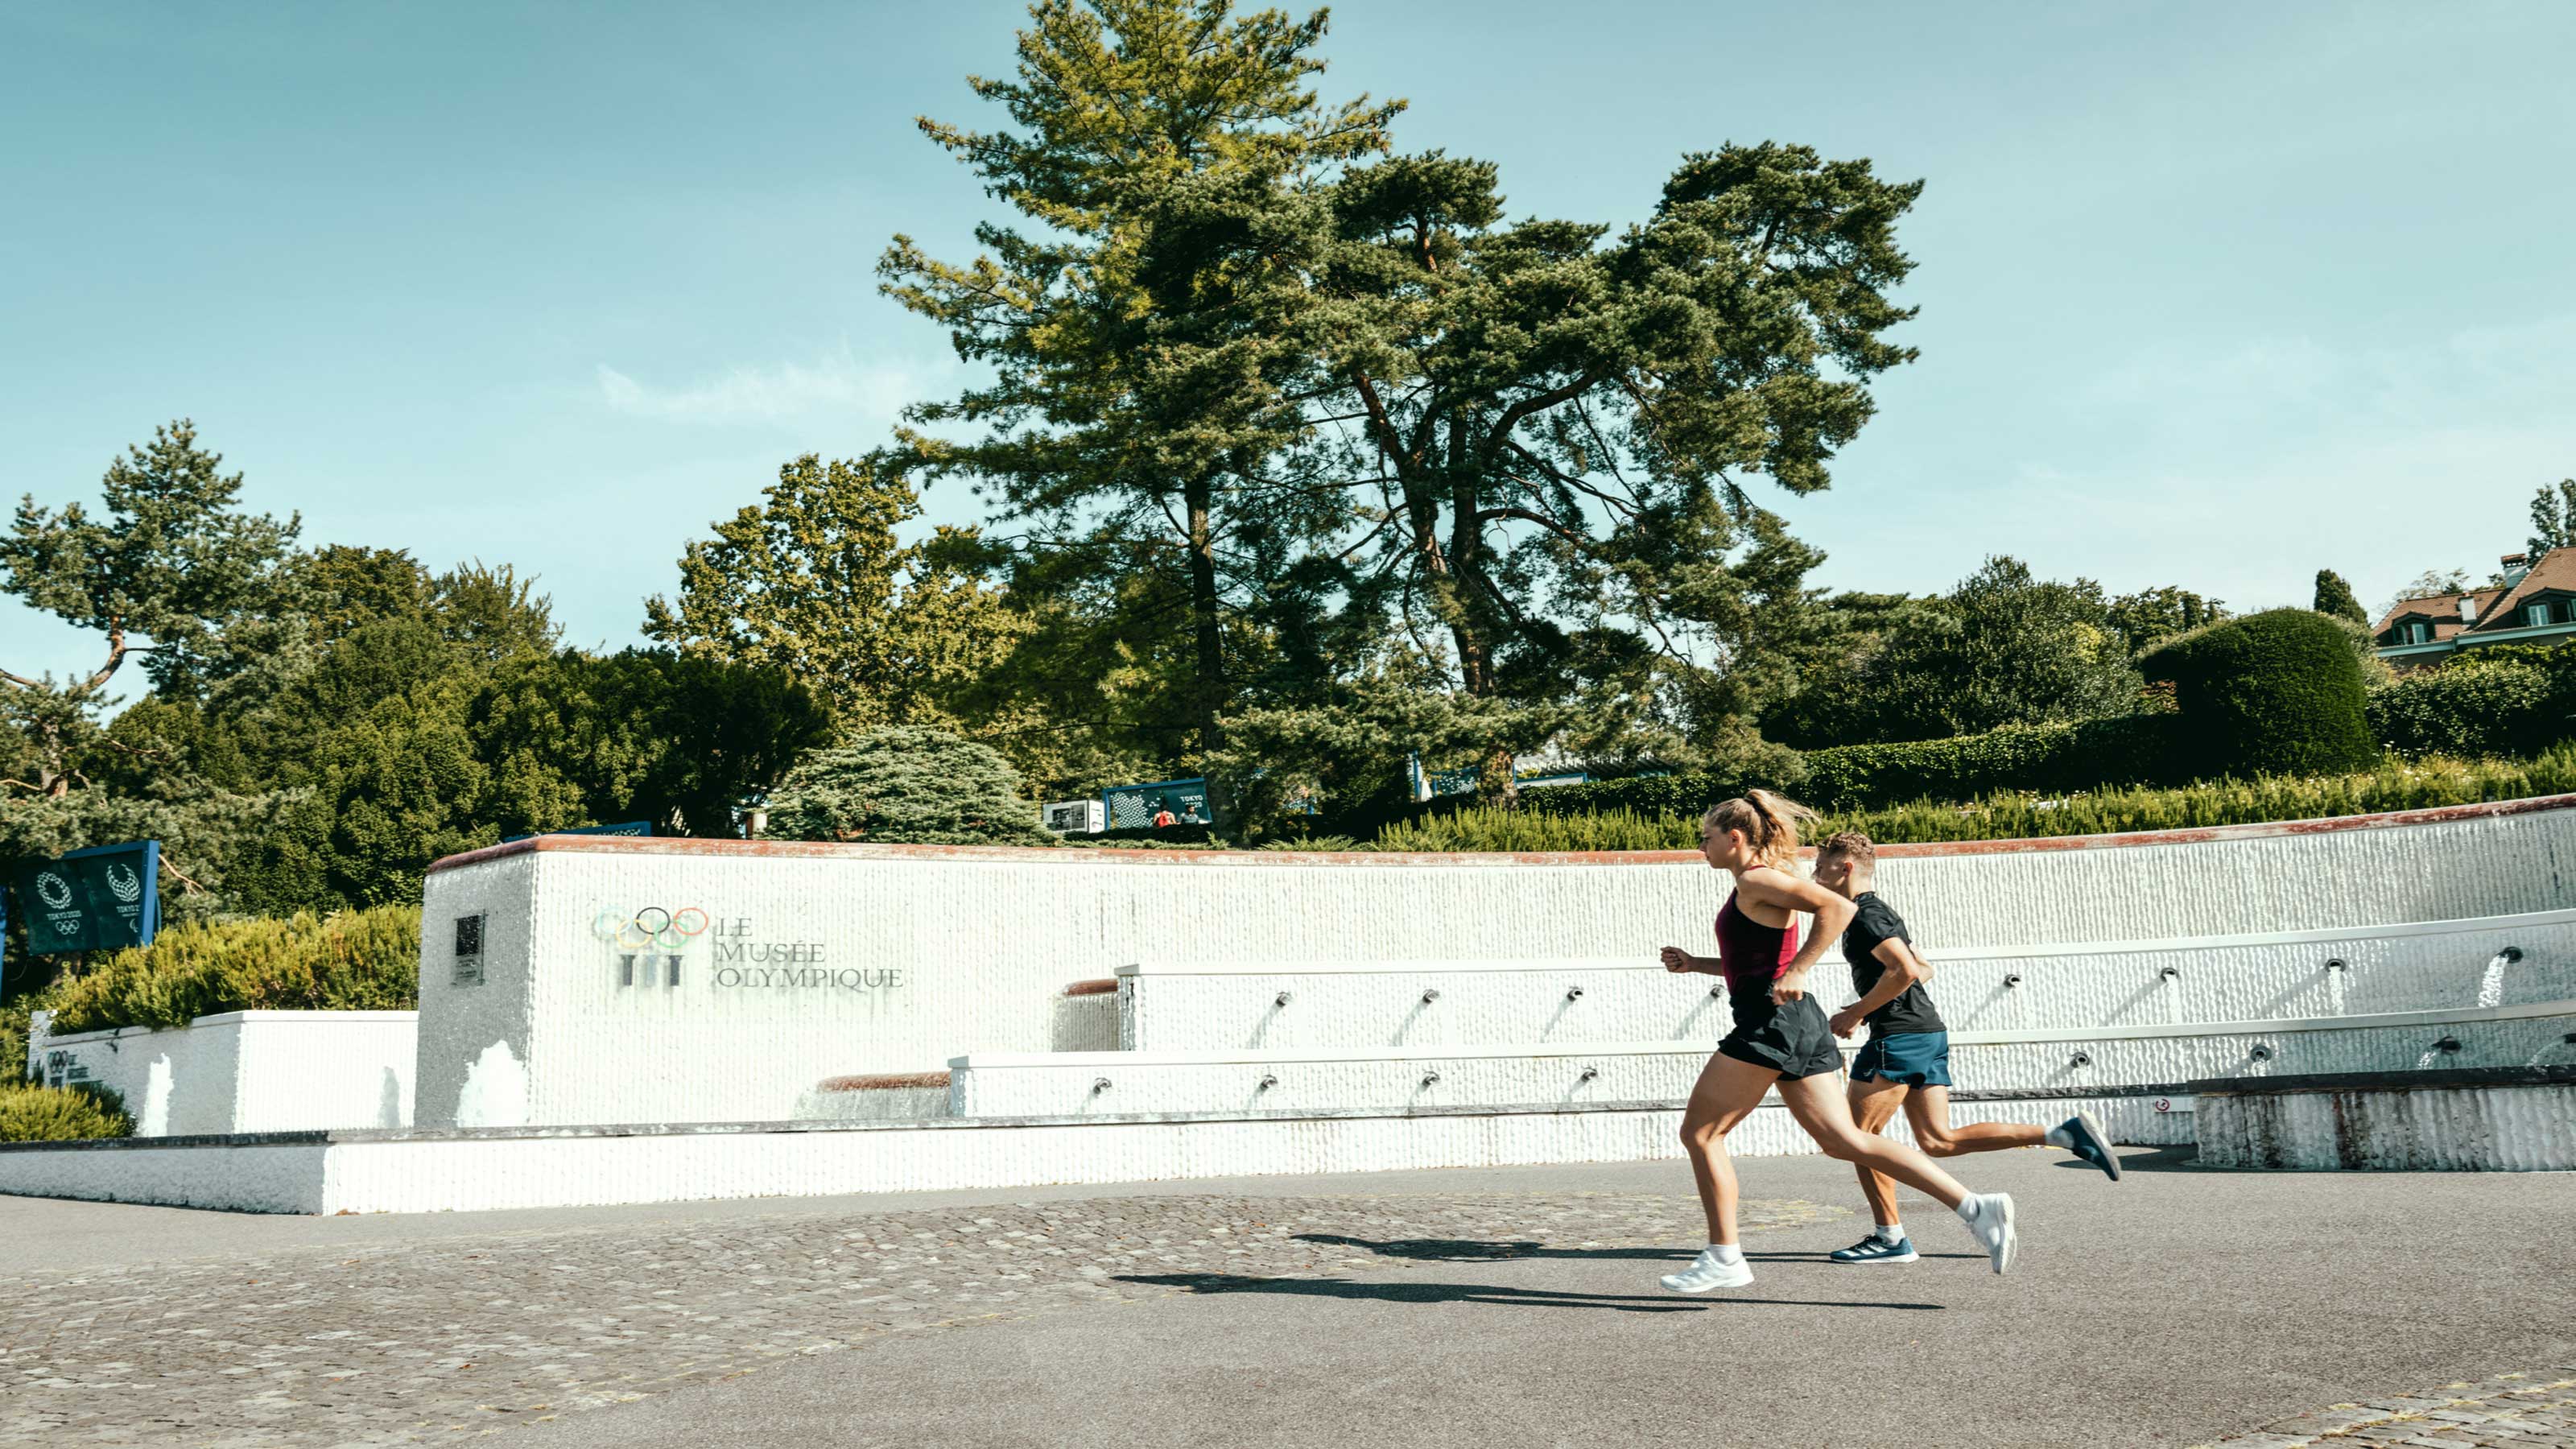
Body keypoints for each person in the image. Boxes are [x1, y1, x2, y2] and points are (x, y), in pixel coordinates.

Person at [1657, 791, 2021, 1293]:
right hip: (1795, 1021)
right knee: (1843, 1141)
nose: (1702, 848)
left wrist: (1801, 968)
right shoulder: (1759, 884)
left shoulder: (1758, 878)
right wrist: (1697, 963)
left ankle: (1724, 1257)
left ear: (1734, 838)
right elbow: (1755, 964)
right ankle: (1974, 1206)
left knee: (1701, 1134)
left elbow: (1836, 909)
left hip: (1771, 1022)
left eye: (1707, 838)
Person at [1810, 832, 2120, 1265]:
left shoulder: (1864, 915)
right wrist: (1879, 997)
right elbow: (1923, 969)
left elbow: (1904, 971)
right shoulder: (1880, 913)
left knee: (1859, 1140)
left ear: (1845, 867)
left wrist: (1857, 1012)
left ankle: (1890, 1238)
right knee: (1939, 1140)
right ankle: (2063, 1134)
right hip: (1926, 1033)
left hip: (1898, 1036)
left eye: (1821, 863)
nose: (1814, 870)